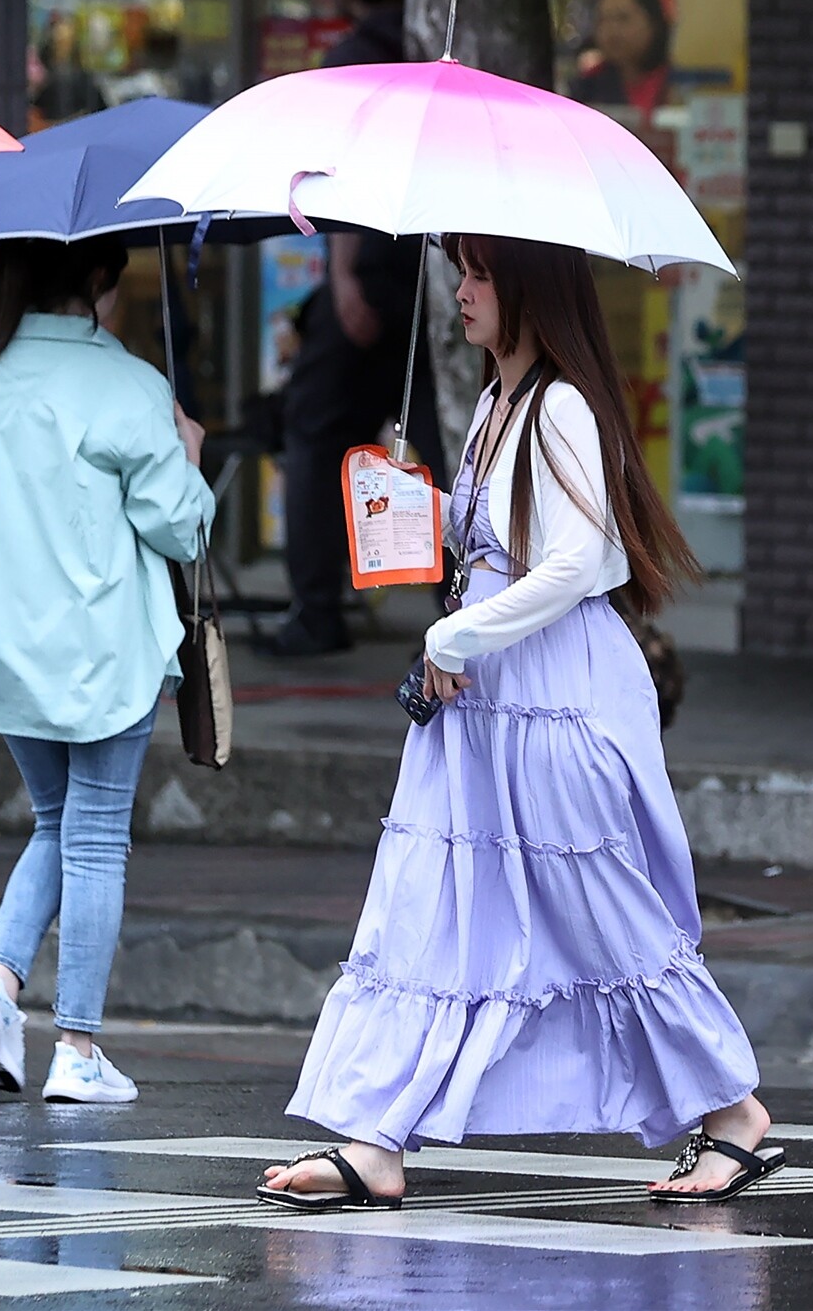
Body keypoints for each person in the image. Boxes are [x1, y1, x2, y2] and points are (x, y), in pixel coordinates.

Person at [257, 232, 780, 1210]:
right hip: (485, 706)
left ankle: (734, 1112)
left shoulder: (563, 407)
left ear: (529, 288)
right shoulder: (494, 403)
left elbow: (574, 565)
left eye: (481, 273)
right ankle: (374, 1135)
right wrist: (417, 502)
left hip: (554, 702)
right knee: (424, 907)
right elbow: (495, 548)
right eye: (461, 269)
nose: (461, 291)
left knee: (602, 915)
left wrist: (452, 637)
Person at [0, 236, 214, 1105]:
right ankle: (78, 1045)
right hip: (100, 653)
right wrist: (190, 452)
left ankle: (0, 982)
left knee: (56, 822)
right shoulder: (126, 384)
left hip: (2, 650)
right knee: (92, 837)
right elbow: (181, 529)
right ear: (95, 282)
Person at [262, 0, 448, 658]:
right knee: (446, 447)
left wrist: (342, 278)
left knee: (313, 432)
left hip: (372, 278)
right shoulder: (441, 48)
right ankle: (453, 614)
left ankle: (316, 611)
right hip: (443, 282)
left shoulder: (351, 63)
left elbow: (332, 182)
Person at [571, 0, 672, 124]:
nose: (611, 30)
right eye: (603, 20)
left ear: (653, 22)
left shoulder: (678, 81)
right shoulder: (587, 87)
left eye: (622, 18)